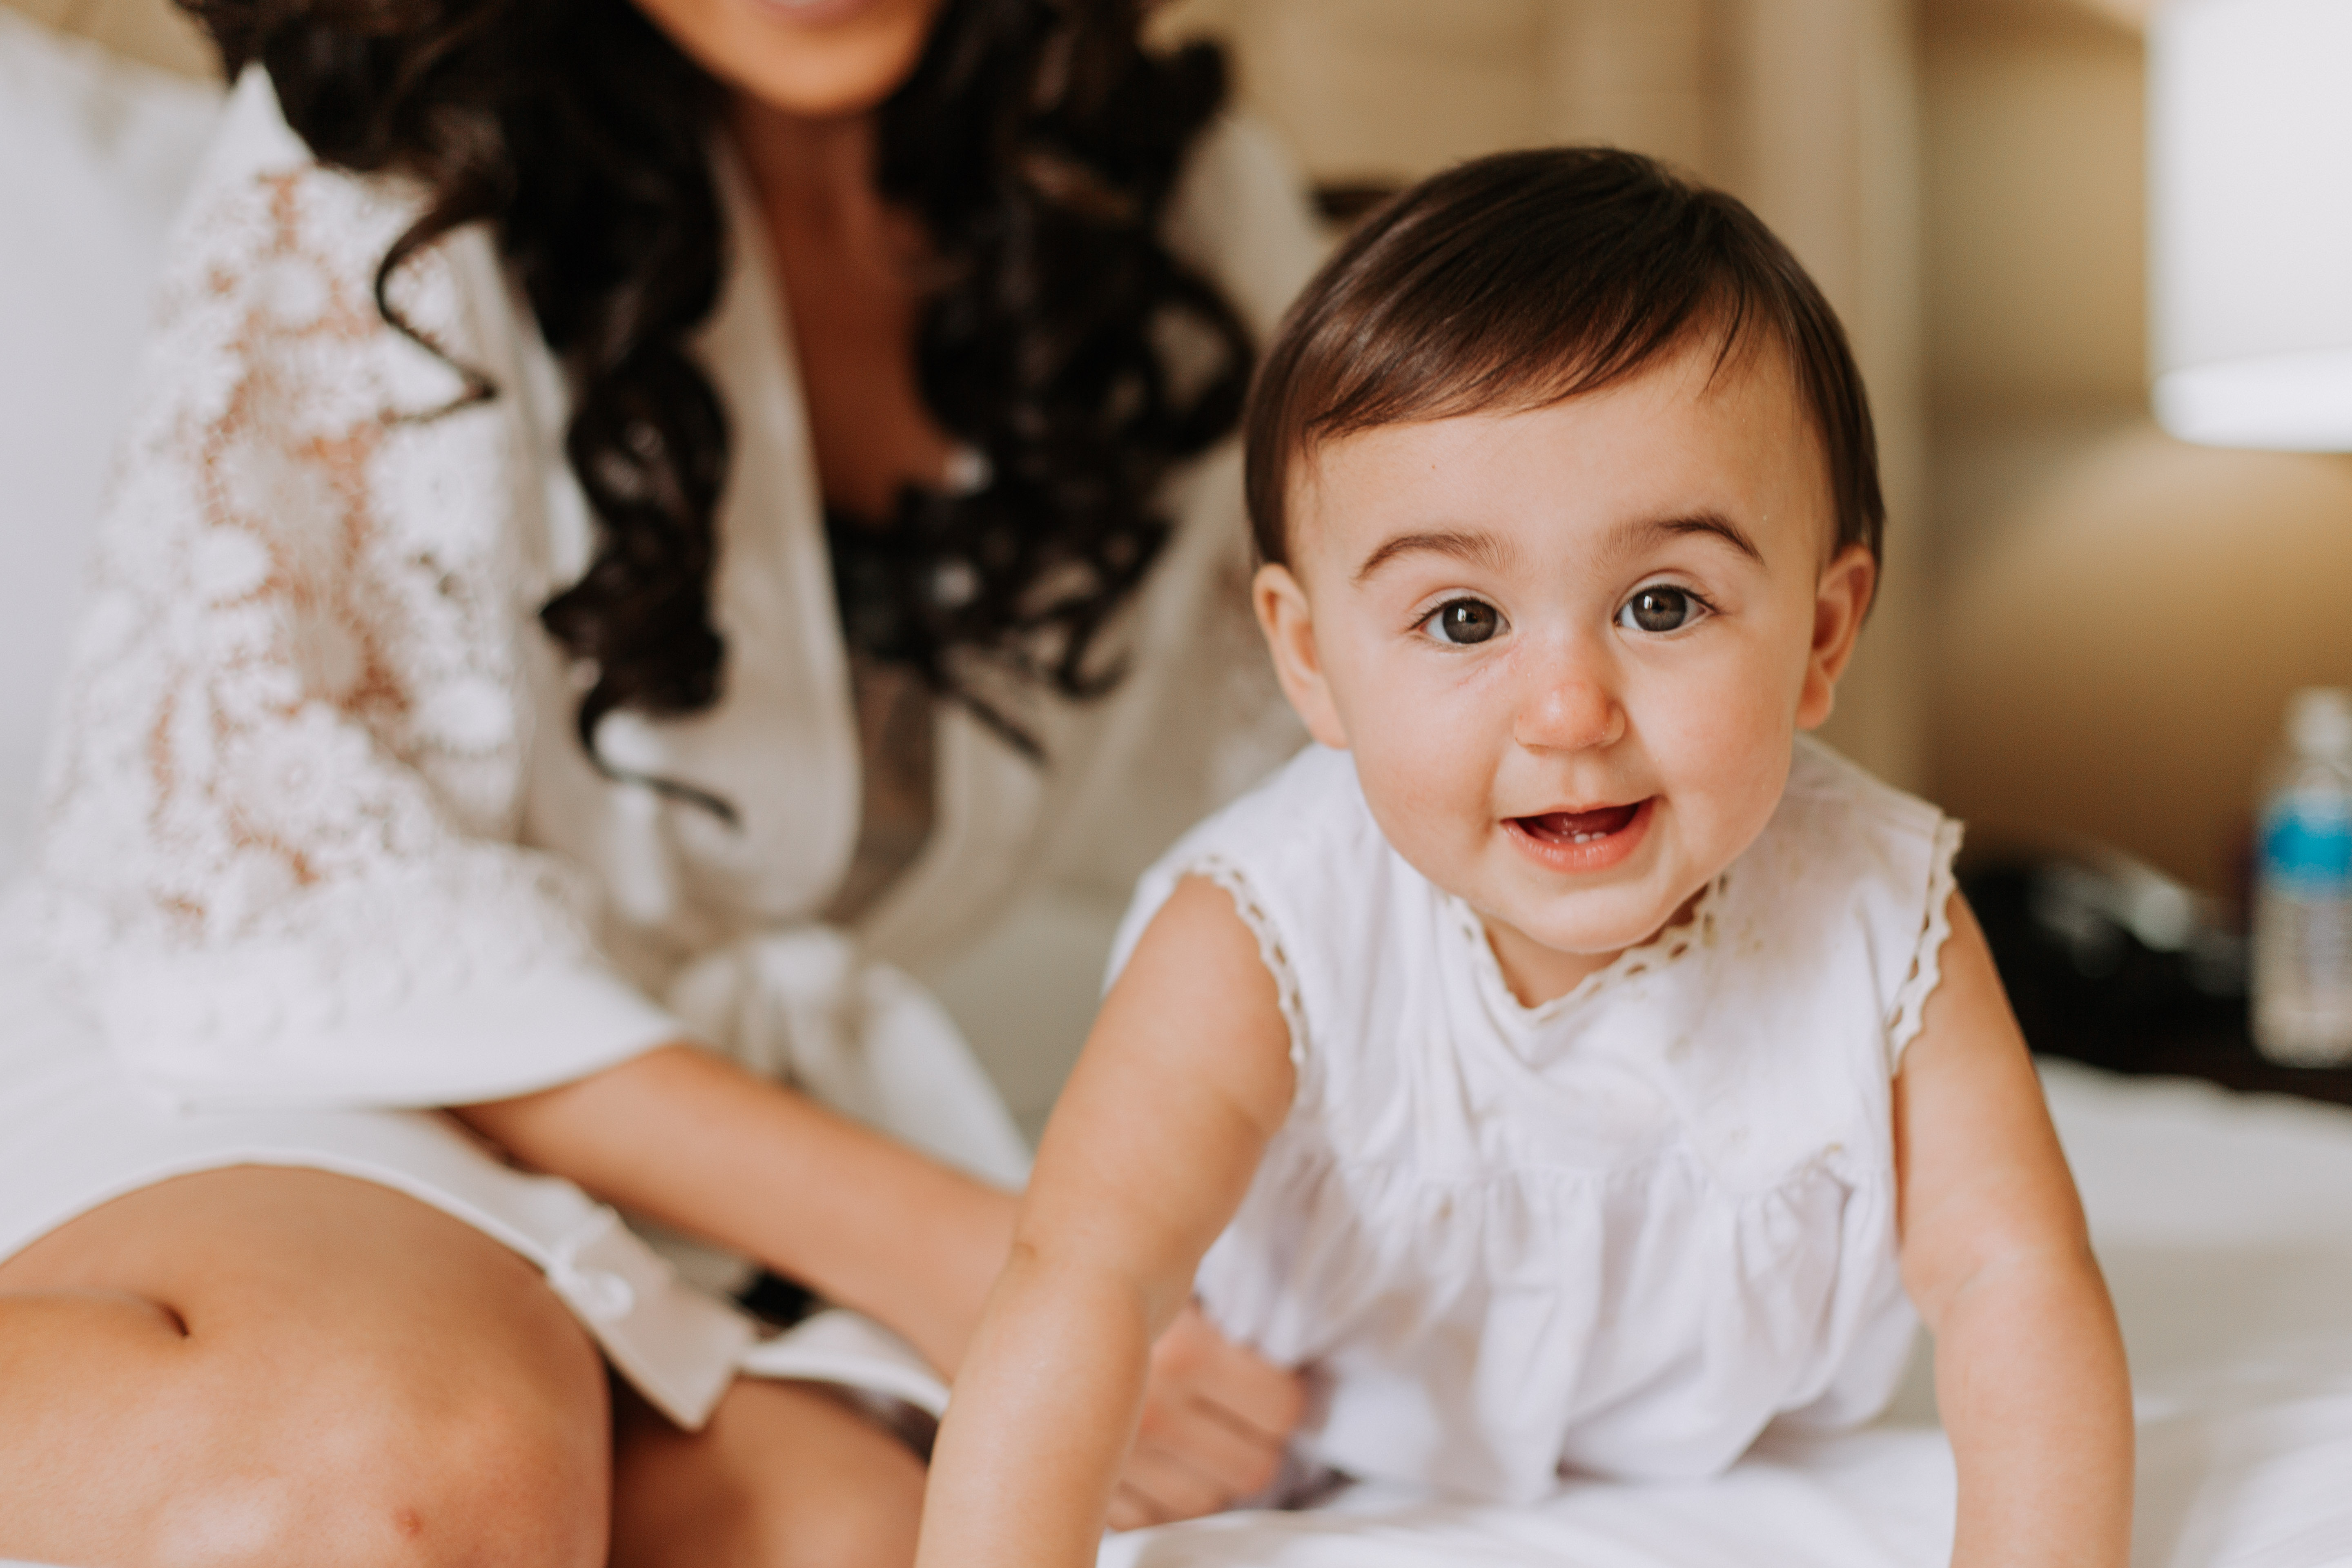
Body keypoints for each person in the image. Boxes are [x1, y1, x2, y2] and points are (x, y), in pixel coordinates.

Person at [0, 0, 1329, 1561]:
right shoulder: (383, 150)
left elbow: (1358, 785)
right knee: (398, 1472)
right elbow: (276, 897)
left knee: (852, 1541)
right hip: (257, 1054)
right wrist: (993, 1261)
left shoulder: (1170, 212)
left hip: (693, 1164)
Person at [916, 147, 2137, 1568]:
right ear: (1310, 660)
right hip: (1313, 1453)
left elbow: (2013, 1279)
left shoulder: (1880, 914)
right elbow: (1082, 1280)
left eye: (1663, 604)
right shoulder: (1264, 934)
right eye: (1463, 620)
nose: (1569, 711)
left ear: (1820, 633)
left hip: (1723, 1469)